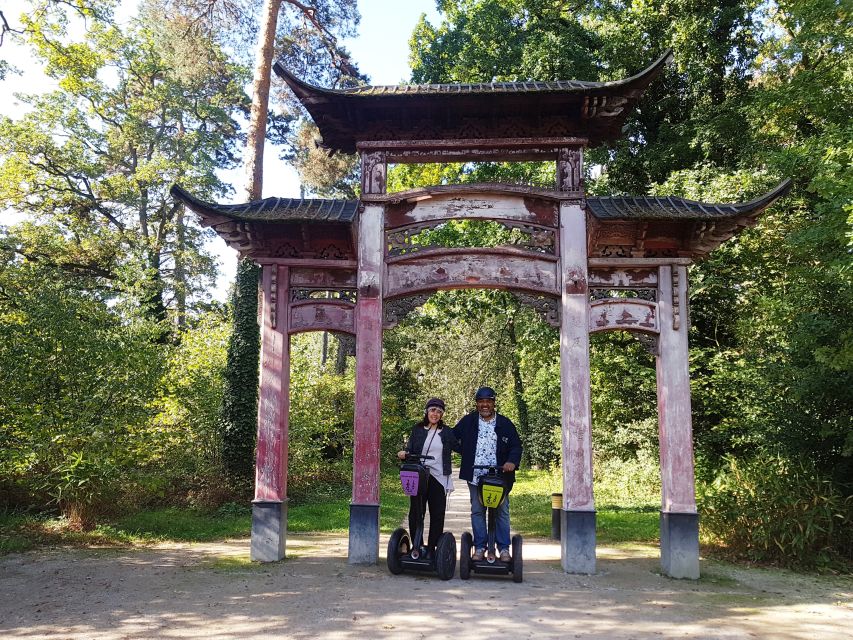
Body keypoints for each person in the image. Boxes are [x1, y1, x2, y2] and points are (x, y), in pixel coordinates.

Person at [451, 386, 523, 562]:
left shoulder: (505, 424)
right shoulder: (468, 421)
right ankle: (480, 547)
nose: (485, 405)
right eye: (481, 402)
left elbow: (516, 446)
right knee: (477, 510)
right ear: (477, 404)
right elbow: (452, 437)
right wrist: (465, 451)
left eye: (488, 402)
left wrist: (511, 462)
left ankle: (504, 549)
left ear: (493, 403)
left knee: (501, 511)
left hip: (500, 477)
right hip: (476, 476)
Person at [397, 397, 457, 559]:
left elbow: (461, 446)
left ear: (442, 414)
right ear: (427, 411)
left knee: (437, 513)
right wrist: (403, 454)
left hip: (438, 477)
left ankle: (431, 549)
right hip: (419, 475)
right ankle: (417, 546)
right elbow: (410, 449)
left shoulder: (447, 432)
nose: (435, 414)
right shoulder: (417, 429)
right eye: (432, 410)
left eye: (439, 411)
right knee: (416, 512)